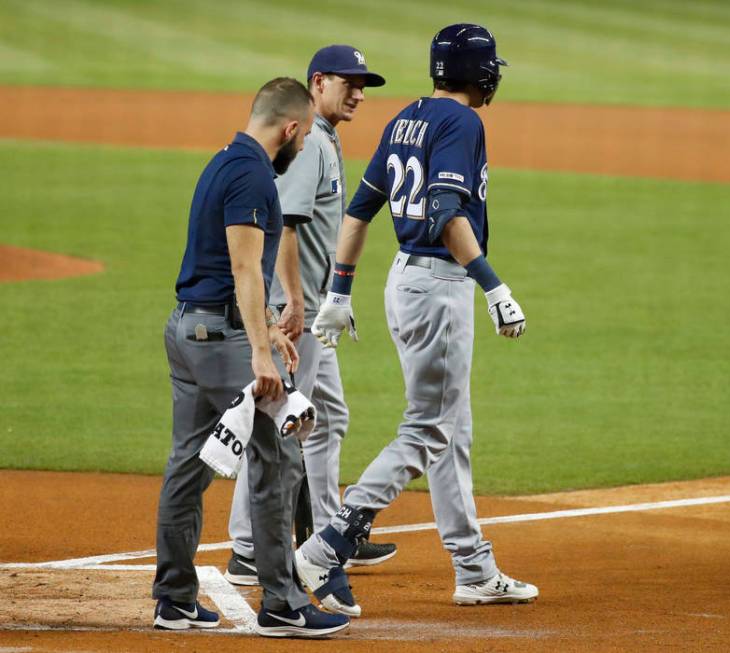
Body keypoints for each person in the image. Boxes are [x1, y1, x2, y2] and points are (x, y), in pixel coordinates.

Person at [291, 24, 538, 616]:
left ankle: (473, 569)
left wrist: (339, 291)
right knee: (426, 427)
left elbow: (360, 210)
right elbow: (448, 210)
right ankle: (328, 544)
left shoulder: (406, 117)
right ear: (480, 74)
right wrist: (493, 284)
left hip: (401, 281)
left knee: (451, 431)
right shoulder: (464, 122)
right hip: (439, 284)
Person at [152, 77, 349, 638]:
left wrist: (262, 327)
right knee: (278, 457)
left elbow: (228, 267)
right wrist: (261, 351)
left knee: (188, 463)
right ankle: (283, 603)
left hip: (191, 329)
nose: (304, 141)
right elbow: (242, 268)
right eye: (305, 132)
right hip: (222, 339)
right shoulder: (251, 174)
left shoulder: (224, 159)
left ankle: (174, 599)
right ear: (289, 128)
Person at [224, 46, 397, 588]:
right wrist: (296, 302)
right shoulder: (312, 143)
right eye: (350, 83)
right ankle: (249, 547)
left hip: (315, 308)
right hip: (296, 311)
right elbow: (290, 228)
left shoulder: (324, 137)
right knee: (279, 422)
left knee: (329, 417)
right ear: (318, 83)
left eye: (363, 85)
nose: (359, 94)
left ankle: (329, 534)